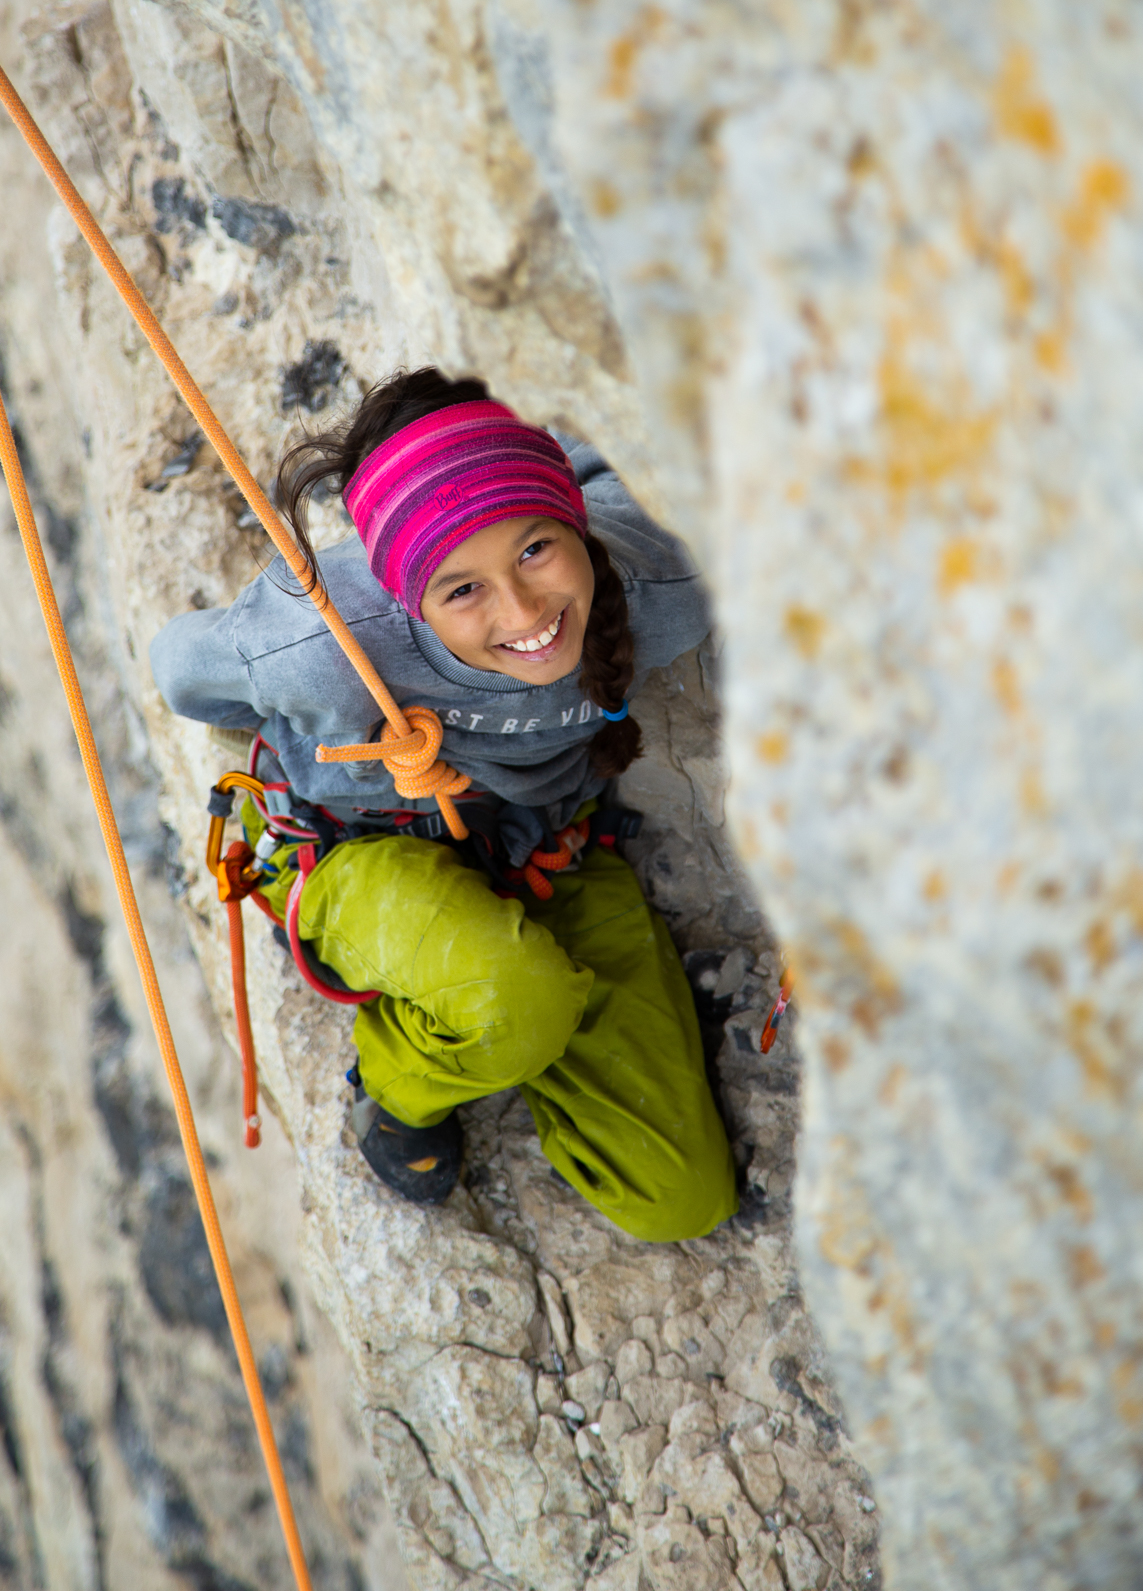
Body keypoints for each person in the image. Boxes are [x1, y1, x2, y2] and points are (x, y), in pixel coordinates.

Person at [151, 367, 738, 1242]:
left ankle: (493, 1008)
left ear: (574, 522)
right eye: (463, 589)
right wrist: (360, 748)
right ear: (405, 600)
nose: (526, 610)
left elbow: (617, 458)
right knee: (518, 1002)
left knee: (683, 1200)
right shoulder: (328, 640)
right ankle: (398, 1082)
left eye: (537, 547)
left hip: (538, 850)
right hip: (359, 848)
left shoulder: (661, 589)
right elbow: (182, 671)